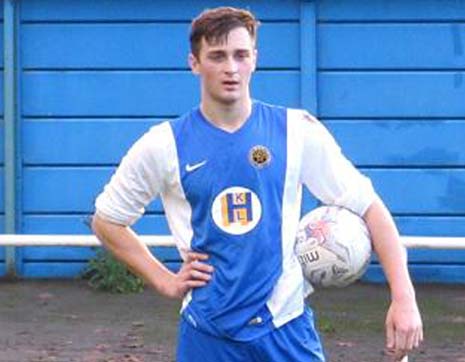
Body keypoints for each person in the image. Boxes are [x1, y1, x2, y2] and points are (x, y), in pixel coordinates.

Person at [92, 6, 423, 362]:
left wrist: (404, 298)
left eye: (240, 55)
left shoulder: (296, 131)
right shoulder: (163, 145)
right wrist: (163, 279)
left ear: (255, 59)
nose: (231, 68)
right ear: (194, 63)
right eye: (217, 56)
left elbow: (370, 208)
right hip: (208, 333)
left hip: (285, 328)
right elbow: (107, 220)